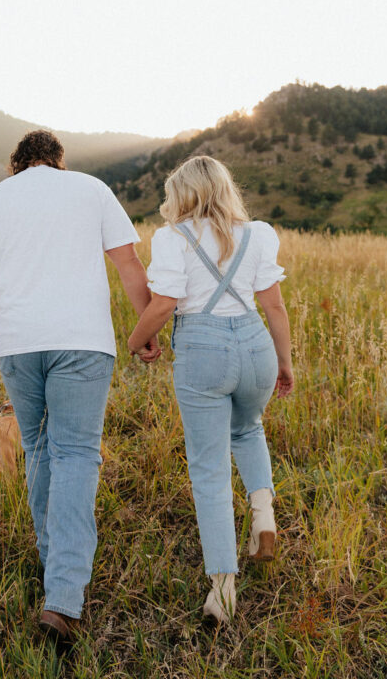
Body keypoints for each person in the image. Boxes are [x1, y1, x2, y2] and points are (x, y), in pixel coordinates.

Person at [0, 130, 156, 646]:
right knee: (77, 453)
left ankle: (55, 566)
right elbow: (128, 263)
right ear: (59, 162)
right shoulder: (92, 189)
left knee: (40, 446)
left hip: (20, 346)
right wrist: (147, 329)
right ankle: (64, 598)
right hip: (83, 343)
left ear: (15, 163)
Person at [127, 155, 294, 624]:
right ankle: (263, 514)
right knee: (248, 428)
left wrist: (136, 340)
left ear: (182, 194)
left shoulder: (172, 238)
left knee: (208, 469)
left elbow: (164, 305)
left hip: (203, 351)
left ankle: (222, 589)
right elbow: (275, 307)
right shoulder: (258, 233)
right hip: (256, 345)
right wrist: (283, 361)